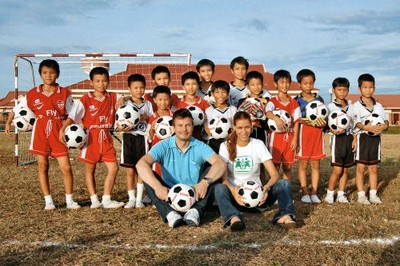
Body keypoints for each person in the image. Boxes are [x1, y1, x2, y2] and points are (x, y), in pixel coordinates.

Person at [136, 108, 245, 231]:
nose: (184, 129)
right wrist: (157, 187)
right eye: (180, 125)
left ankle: (196, 211)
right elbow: (141, 164)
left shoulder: (199, 145)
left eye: (187, 125)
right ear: (173, 128)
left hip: (195, 195)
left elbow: (220, 164)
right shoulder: (163, 145)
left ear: (193, 126)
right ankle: (170, 213)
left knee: (211, 170)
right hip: (169, 195)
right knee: (149, 177)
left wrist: (205, 182)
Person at [5, 59, 80, 210]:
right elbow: (17, 108)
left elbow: (74, 114)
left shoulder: (64, 93)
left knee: (65, 167)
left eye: (52, 73)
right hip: (40, 132)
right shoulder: (33, 94)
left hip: (59, 132)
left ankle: (70, 200)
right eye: (45, 72)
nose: (48, 75)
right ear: (40, 75)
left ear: (57, 75)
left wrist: (77, 128)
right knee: (42, 165)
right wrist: (8, 122)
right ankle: (48, 201)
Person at [60, 67, 124, 209]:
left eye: (104, 81)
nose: (101, 84)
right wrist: (63, 128)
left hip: (106, 138)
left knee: (113, 168)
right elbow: (73, 115)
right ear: (91, 82)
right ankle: (94, 199)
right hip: (91, 139)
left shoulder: (112, 96)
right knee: (90, 170)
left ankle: (106, 199)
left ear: (109, 81)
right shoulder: (86, 99)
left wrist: (122, 101)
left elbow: (122, 98)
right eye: (98, 81)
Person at [219, 111, 296, 228]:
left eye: (247, 127)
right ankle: (233, 217)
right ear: (233, 127)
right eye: (239, 127)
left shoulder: (258, 144)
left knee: (284, 183)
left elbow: (274, 175)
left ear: (251, 126)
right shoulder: (225, 146)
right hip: (236, 199)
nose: (243, 131)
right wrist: (233, 191)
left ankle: (285, 215)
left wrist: (266, 188)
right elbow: (224, 179)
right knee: (218, 188)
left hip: (260, 199)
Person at [117, 74, 153, 208]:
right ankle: (131, 198)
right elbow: (118, 122)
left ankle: (139, 199)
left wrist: (146, 117)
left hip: (142, 139)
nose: (139, 90)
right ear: (129, 89)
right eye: (135, 88)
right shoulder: (125, 104)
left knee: (141, 169)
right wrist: (121, 127)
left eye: (141, 87)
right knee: (130, 170)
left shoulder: (148, 104)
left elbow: (152, 120)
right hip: (128, 138)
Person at [352, 73, 389, 204]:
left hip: (375, 140)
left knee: (373, 168)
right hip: (363, 139)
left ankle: (373, 194)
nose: (368, 90)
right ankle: (361, 195)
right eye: (365, 87)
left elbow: (386, 121)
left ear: (374, 88)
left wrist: (384, 126)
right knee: (361, 168)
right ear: (359, 89)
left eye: (370, 87)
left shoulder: (378, 106)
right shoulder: (355, 106)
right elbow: (356, 123)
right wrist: (366, 128)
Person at [294, 69, 326, 203]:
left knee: (316, 164)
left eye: (311, 83)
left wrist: (323, 123)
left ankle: (314, 192)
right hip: (303, 134)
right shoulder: (296, 101)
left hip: (317, 134)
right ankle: (305, 192)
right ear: (299, 84)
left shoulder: (319, 99)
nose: (308, 86)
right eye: (305, 83)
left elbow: (325, 118)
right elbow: (295, 119)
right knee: (303, 164)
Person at [324, 77, 356, 204]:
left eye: (345, 90)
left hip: (349, 139)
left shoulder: (351, 106)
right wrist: (331, 130)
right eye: (339, 89)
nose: (342, 92)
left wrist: (354, 138)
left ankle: (341, 194)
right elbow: (325, 124)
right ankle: (330, 193)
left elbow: (353, 125)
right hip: (337, 140)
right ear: (333, 90)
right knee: (337, 169)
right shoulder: (330, 107)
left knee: (345, 169)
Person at [268, 70, 301, 181]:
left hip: (289, 137)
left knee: (287, 167)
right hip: (275, 138)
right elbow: (267, 112)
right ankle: (275, 194)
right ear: (275, 84)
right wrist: (275, 118)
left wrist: (295, 139)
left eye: (287, 82)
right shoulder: (273, 101)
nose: (285, 85)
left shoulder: (294, 103)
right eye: (281, 82)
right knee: (275, 167)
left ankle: (286, 191)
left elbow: (296, 122)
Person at [237, 71, 274, 144]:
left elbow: (269, 124)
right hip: (245, 134)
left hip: (261, 134)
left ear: (262, 85)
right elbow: (237, 120)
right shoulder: (242, 101)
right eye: (253, 85)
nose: (256, 87)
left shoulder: (267, 102)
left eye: (259, 84)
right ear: (247, 86)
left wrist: (261, 119)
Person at [204, 80, 237, 153]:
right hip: (213, 142)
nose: (220, 95)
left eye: (224, 92)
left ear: (228, 94)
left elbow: (236, 126)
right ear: (212, 94)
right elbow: (206, 127)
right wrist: (207, 130)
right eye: (217, 92)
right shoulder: (208, 110)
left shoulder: (233, 109)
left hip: (230, 141)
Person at [176, 71, 209, 140]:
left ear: (198, 85)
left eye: (194, 84)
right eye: (187, 84)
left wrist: (205, 118)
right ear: (183, 86)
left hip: (199, 137)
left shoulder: (204, 102)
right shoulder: (178, 102)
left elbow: (208, 120)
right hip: (182, 137)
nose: (190, 87)